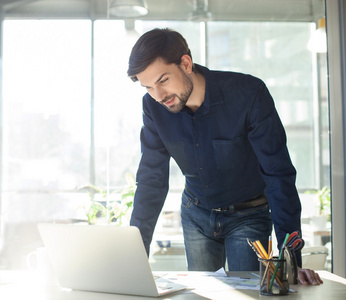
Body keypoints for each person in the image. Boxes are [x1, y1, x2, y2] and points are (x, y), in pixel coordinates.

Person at [127, 28, 322, 285]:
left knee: (248, 293)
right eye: (149, 87)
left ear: (186, 63)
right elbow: (151, 178)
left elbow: (278, 174)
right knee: (203, 293)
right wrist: (133, 259)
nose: (159, 96)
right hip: (195, 214)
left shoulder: (249, 95)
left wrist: (291, 260)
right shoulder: (153, 106)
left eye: (163, 80)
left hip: (248, 215)